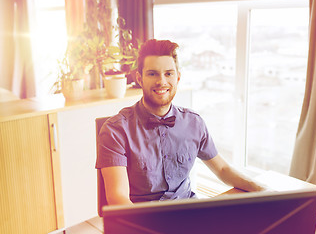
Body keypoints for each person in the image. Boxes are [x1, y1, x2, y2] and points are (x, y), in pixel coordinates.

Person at [96, 39, 264, 205]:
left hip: (188, 214)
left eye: (168, 73)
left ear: (178, 78)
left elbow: (222, 169)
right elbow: (118, 198)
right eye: (152, 73)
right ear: (139, 79)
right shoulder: (115, 130)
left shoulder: (194, 123)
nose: (161, 81)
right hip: (141, 221)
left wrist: (262, 189)